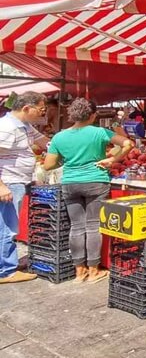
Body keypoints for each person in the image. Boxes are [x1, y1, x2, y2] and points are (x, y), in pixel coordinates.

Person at [43, 98, 134, 283]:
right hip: (96, 182)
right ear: (93, 115)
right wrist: (111, 160)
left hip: (70, 183)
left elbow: (48, 165)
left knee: (76, 226)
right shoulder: (99, 132)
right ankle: (94, 271)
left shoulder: (59, 136)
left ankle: (79, 272)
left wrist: (67, 160)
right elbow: (128, 144)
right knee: (93, 226)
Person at [0, 92, 50, 284]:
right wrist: (1, 186)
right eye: (41, 109)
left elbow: (45, 142)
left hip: (21, 180)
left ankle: (7, 264)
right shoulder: (6, 127)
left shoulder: (25, 126)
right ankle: (6, 271)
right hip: (9, 182)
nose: (42, 113)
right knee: (8, 227)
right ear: (26, 108)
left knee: (9, 225)